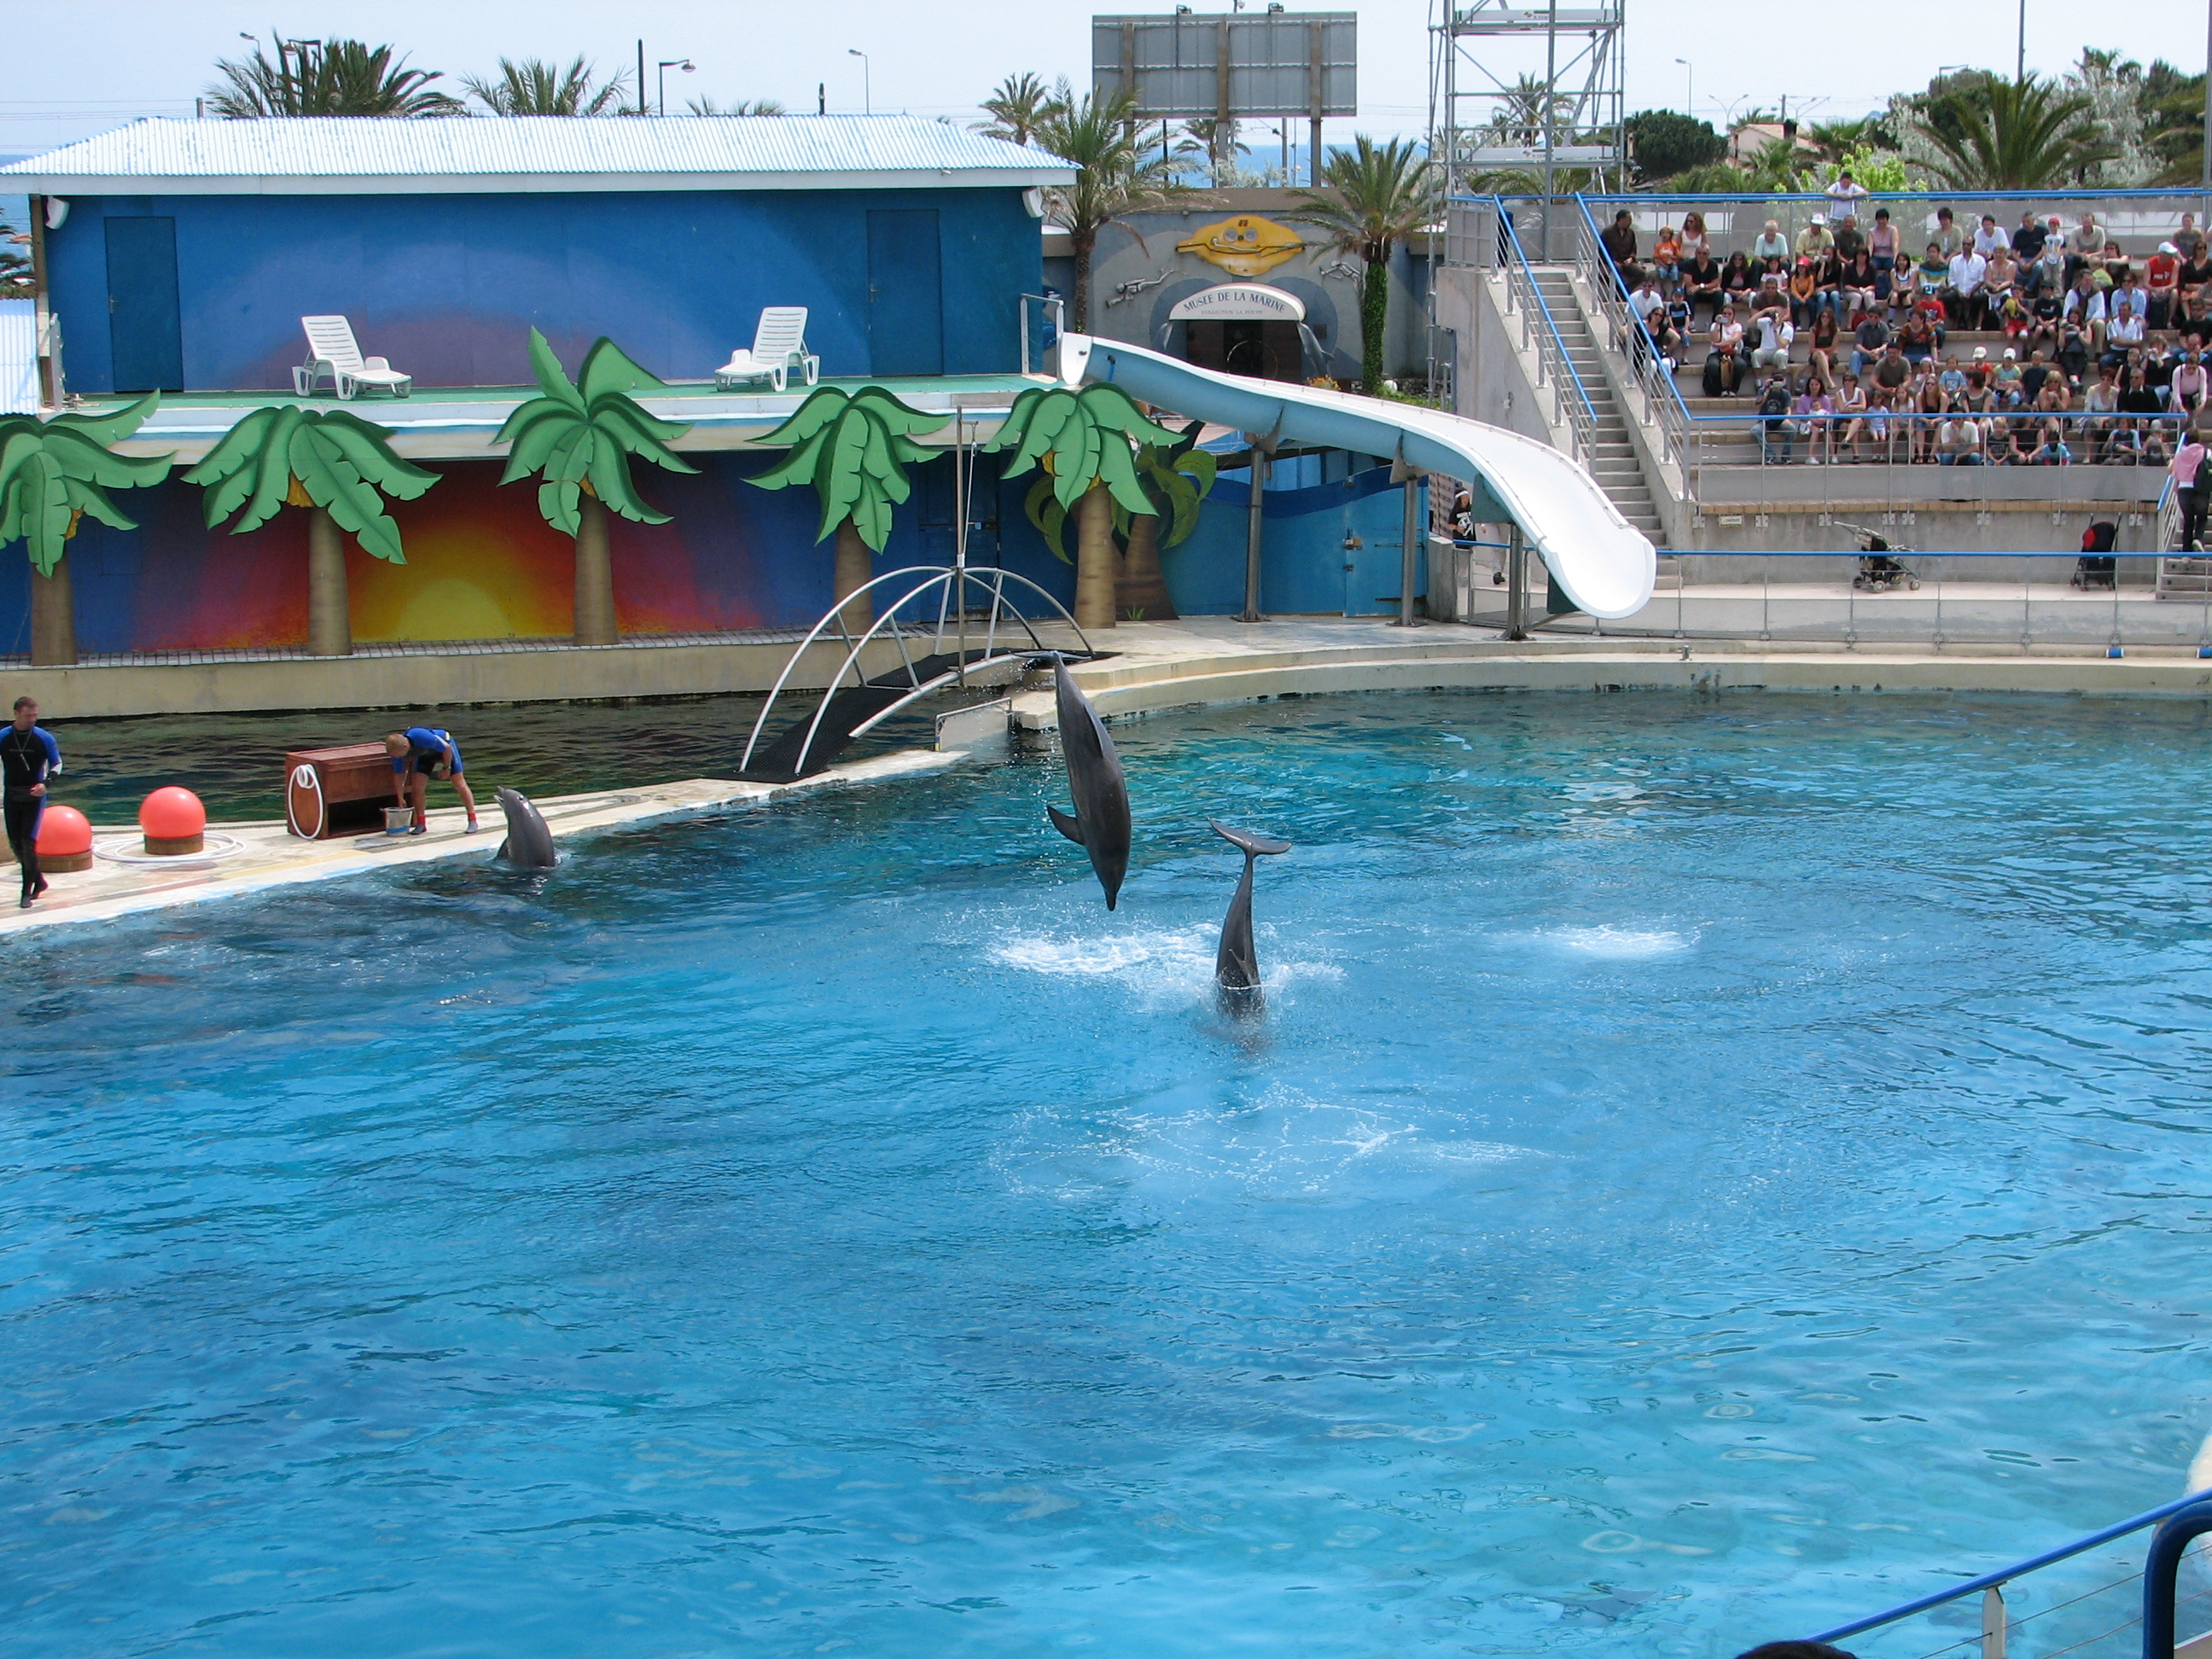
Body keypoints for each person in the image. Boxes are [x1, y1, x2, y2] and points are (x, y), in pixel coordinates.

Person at [3, 696, 60, 909]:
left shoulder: (43, 738)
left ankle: (25, 892)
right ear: (16, 714)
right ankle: (40, 881)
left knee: (28, 844)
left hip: (34, 796)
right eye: (28, 716)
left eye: (35, 715)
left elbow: (57, 763)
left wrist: (46, 783)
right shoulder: (4, 737)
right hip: (12, 795)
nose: (32, 720)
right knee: (16, 844)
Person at [386, 725, 480, 835]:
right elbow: (399, 774)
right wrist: (400, 797)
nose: (397, 758)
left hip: (446, 748)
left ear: (405, 746)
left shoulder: (420, 735)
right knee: (417, 787)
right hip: (426, 755)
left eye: (398, 755)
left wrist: (447, 768)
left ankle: (472, 819)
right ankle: (421, 822)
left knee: (459, 783)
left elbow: (447, 748)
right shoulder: (396, 753)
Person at [2176, 431, 2209, 552]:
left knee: (2188, 520)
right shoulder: (2205, 452)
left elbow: (2175, 472)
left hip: (2183, 490)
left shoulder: (2179, 454)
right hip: (2200, 488)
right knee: (2202, 517)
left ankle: (2186, 551)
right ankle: (2198, 538)